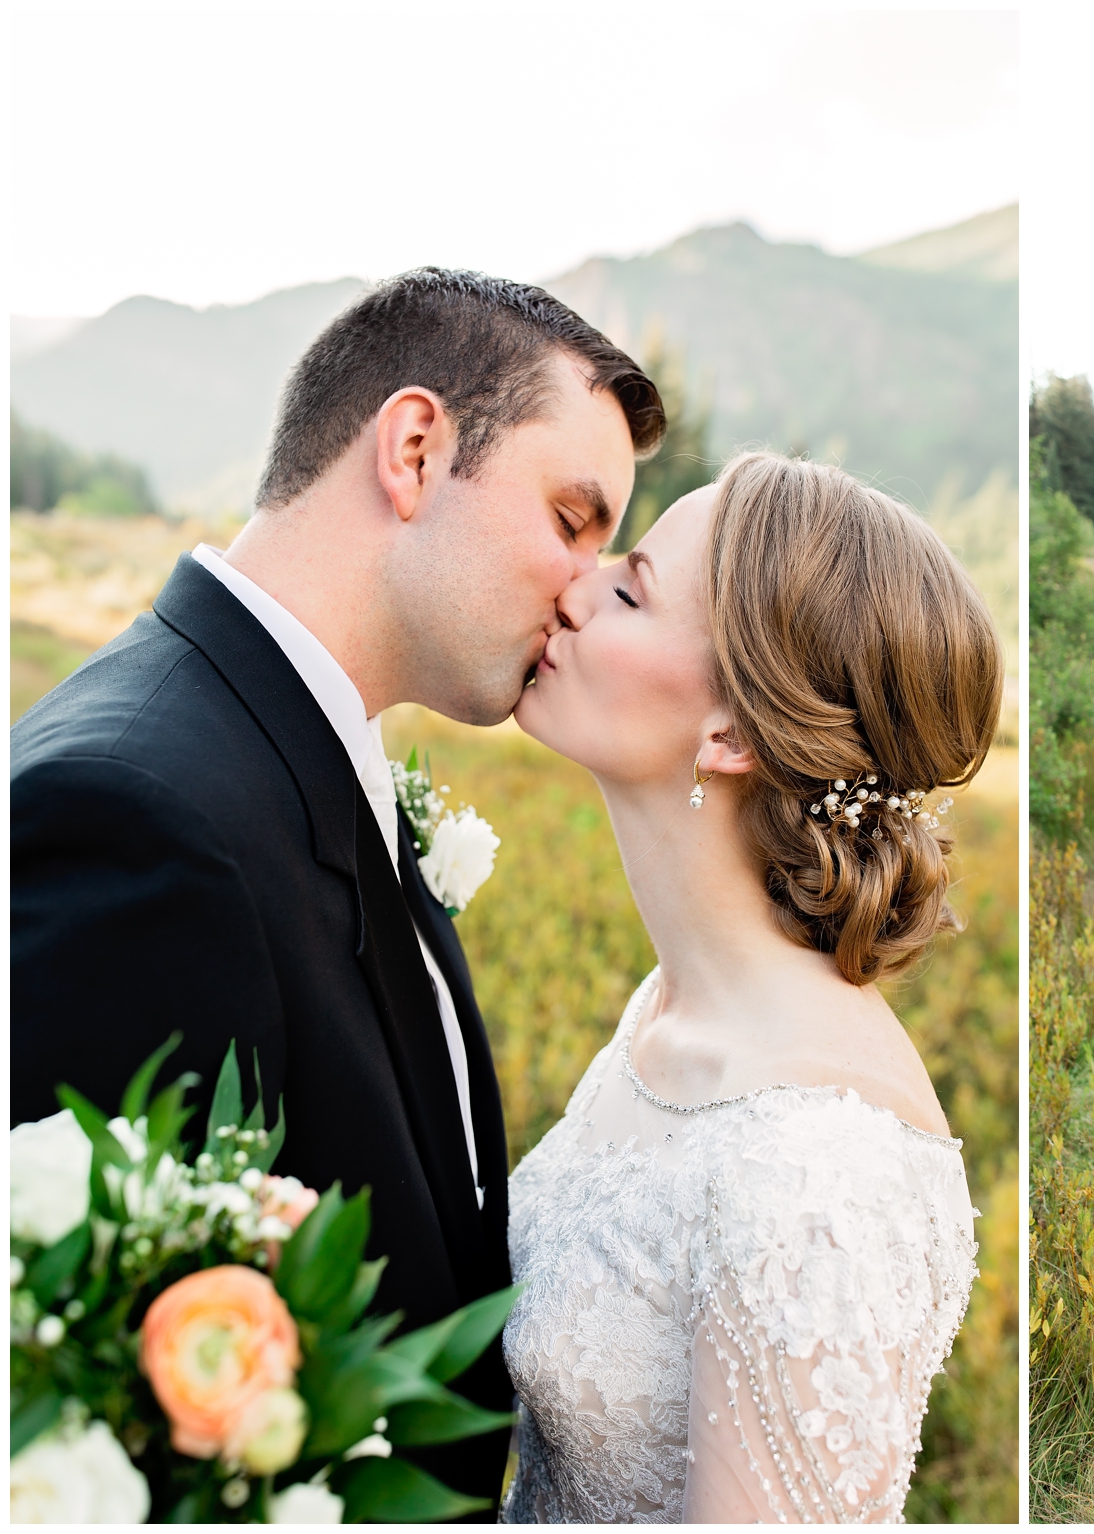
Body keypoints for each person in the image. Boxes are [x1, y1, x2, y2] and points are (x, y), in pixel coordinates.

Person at [10, 268, 665, 1505]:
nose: (586, 583)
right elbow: (95, 1433)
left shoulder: (299, 752)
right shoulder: (133, 819)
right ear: (414, 449)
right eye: (572, 518)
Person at [499, 453, 1002, 1522]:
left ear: (730, 731)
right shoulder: (670, 1006)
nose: (572, 590)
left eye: (629, 591)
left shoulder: (816, 1167)